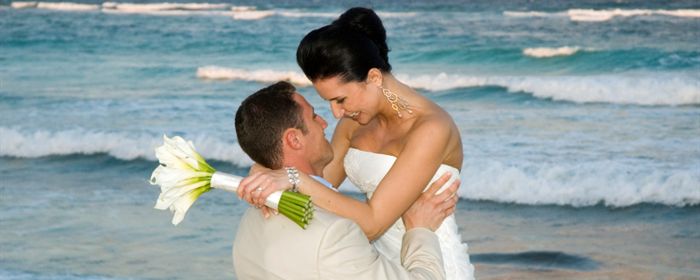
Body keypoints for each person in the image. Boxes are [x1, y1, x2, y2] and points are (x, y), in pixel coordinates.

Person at [238, 7, 474, 279]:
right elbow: (322, 182)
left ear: (373, 78)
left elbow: (372, 222)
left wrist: (291, 178)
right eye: (329, 102)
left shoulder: (431, 129)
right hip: (375, 264)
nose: (336, 114)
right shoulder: (354, 122)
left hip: (434, 264)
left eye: (340, 100)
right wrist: (264, 173)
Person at [233, 81, 460, 279]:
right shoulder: (334, 234)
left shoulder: (249, 221)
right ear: (294, 139)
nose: (325, 122)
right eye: (313, 117)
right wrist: (419, 230)